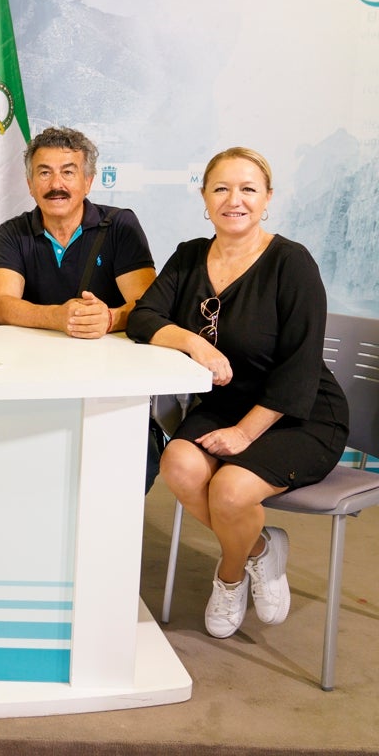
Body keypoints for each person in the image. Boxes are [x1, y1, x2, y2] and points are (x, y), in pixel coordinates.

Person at [127, 147, 349, 639]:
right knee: (178, 466)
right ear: (205, 197)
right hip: (225, 404)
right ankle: (259, 550)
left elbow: (300, 365)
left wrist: (246, 433)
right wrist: (193, 345)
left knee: (230, 492)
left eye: (248, 188)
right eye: (221, 188)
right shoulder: (188, 256)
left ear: (267, 198)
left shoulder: (291, 263)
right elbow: (144, 318)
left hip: (301, 413)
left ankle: (229, 576)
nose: (235, 200)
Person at [0, 126, 156, 338]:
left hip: (108, 358)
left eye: (68, 172)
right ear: (30, 185)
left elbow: (148, 304)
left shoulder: (120, 226)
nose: (56, 184)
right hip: (32, 358)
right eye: (44, 173)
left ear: (88, 182)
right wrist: (56, 317)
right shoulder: (13, 232)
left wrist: (110, 319)